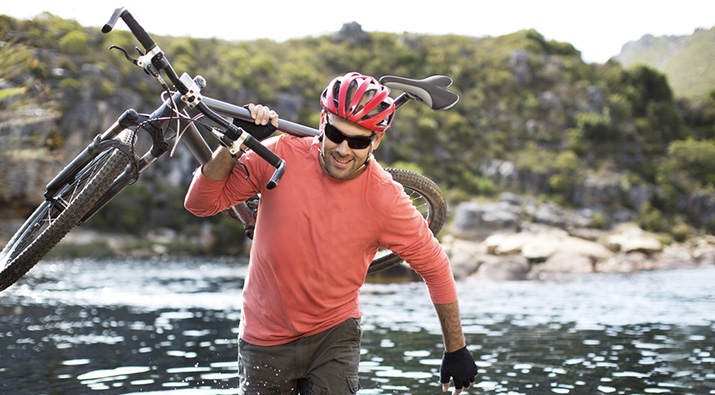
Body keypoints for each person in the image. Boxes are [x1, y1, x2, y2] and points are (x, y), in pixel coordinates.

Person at [184, 72, 477, 394]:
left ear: (376, 141)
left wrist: (456, 349)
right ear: (323, 121)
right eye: (335, 133)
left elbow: (436, 268)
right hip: (264, 336)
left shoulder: (386, 199)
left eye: (359, 141)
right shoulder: (280, 153)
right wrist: (234, 143)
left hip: (333, 335)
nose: (343, 149)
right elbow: (201, 203)